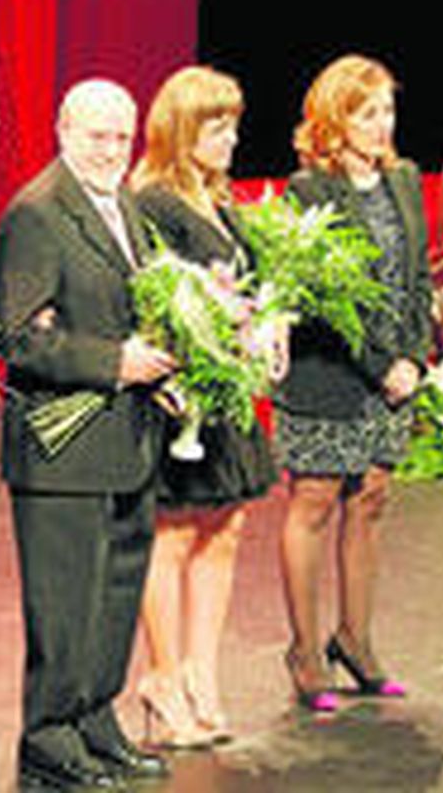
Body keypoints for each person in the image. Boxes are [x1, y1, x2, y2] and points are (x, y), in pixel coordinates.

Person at [0, 79, 177, 789]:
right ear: (63, 128)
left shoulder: (126, 205)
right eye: (97, 135)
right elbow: (18, 337)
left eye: (121, 137)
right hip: (63, 449)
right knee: (65, 599)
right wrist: (115, 363)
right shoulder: (39, 212)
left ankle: (95, 714)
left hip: (127, 440)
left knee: (116, 590)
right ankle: (49, 734)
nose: (110, 150)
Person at [275, 55, 433, 711]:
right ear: (335, 117)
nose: (382, 124)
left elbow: (418, 277)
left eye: (388, 111)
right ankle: (306, 651)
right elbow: (325, 302)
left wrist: (416, 358)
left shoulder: (404, 179)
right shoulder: (307, 191)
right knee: (314, 503)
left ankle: (355, 639)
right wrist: (382, 364)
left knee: (370, 499)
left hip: (393, 375)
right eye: (368, 113)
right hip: (330, 374)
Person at [129, 66, 280, 746]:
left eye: (233, 125)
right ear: (182, 130)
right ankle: (161, 679)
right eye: (217, 126)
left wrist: (269, 325)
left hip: (228, 396)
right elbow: (155, 300)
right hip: (181, 397)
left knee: (227, 530)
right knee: (176, 532)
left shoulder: (221, 201)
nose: (231, 138)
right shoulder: (156, 201)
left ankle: (201, 673)